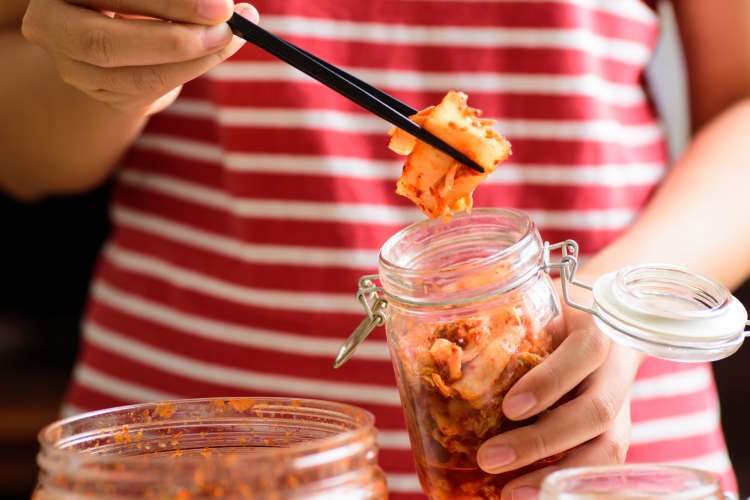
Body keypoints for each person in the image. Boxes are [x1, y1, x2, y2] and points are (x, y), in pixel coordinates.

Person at [3, 0, 750, 498]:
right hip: (181, 450)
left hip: (603, 441)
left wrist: (613, 305)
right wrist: (111, 61)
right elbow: (26, 157)